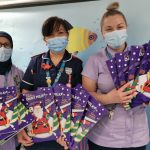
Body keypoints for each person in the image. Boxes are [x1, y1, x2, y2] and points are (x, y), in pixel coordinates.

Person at [82, 2, 149, 150]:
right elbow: (84, 96)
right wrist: (109, 98)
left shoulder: (142, 56)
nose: (115, 32)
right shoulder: (95, 60)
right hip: (103, 138)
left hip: (137, 137)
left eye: (119, 27)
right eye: (109, 29)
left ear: (126, 28)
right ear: (102, 32)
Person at [18, 16, 83, 150]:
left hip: (66, 132)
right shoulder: (36, 62)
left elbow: (81, 99)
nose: (56, 38)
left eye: (60, 33)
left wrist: (71, 131)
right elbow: (25, 94)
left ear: (67, 35)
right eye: (51, 34)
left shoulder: (76, 64)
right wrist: (22, 127)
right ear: (45, 39)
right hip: (39, 131)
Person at [0, 31, 24, 150]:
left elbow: (26, 102)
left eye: (6, 45)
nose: (2, 48)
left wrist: (21, 97)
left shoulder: (19, 73)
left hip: (14, 134)